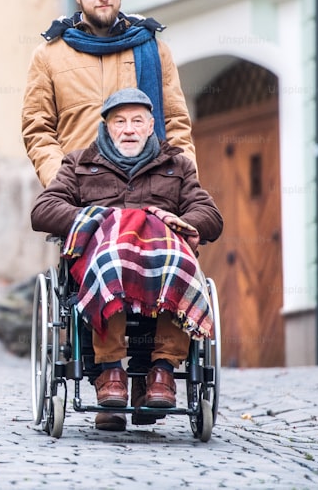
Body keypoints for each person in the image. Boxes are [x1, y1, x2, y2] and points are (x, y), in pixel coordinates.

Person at [30, 88, 223, 432]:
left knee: (179, 265)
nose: (129, 129)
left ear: (151, 126)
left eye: (137, 121)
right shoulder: (79, 163)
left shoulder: (176, 165)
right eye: (119, 121)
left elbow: (209, 213)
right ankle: (110, 372)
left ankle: (162, 371)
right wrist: (94, 219)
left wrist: (187, 224)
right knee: (113, 259)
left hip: (160, 264)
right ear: (106, 127)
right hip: (106, 261)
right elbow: (43, 210)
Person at [21, 0, 196, 189]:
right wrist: (60, 181)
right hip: (78, 196)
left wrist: (182, 182)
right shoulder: (48, 55)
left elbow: (175, 122)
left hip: (147, 192)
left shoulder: (153, 49)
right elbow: (38, 130)